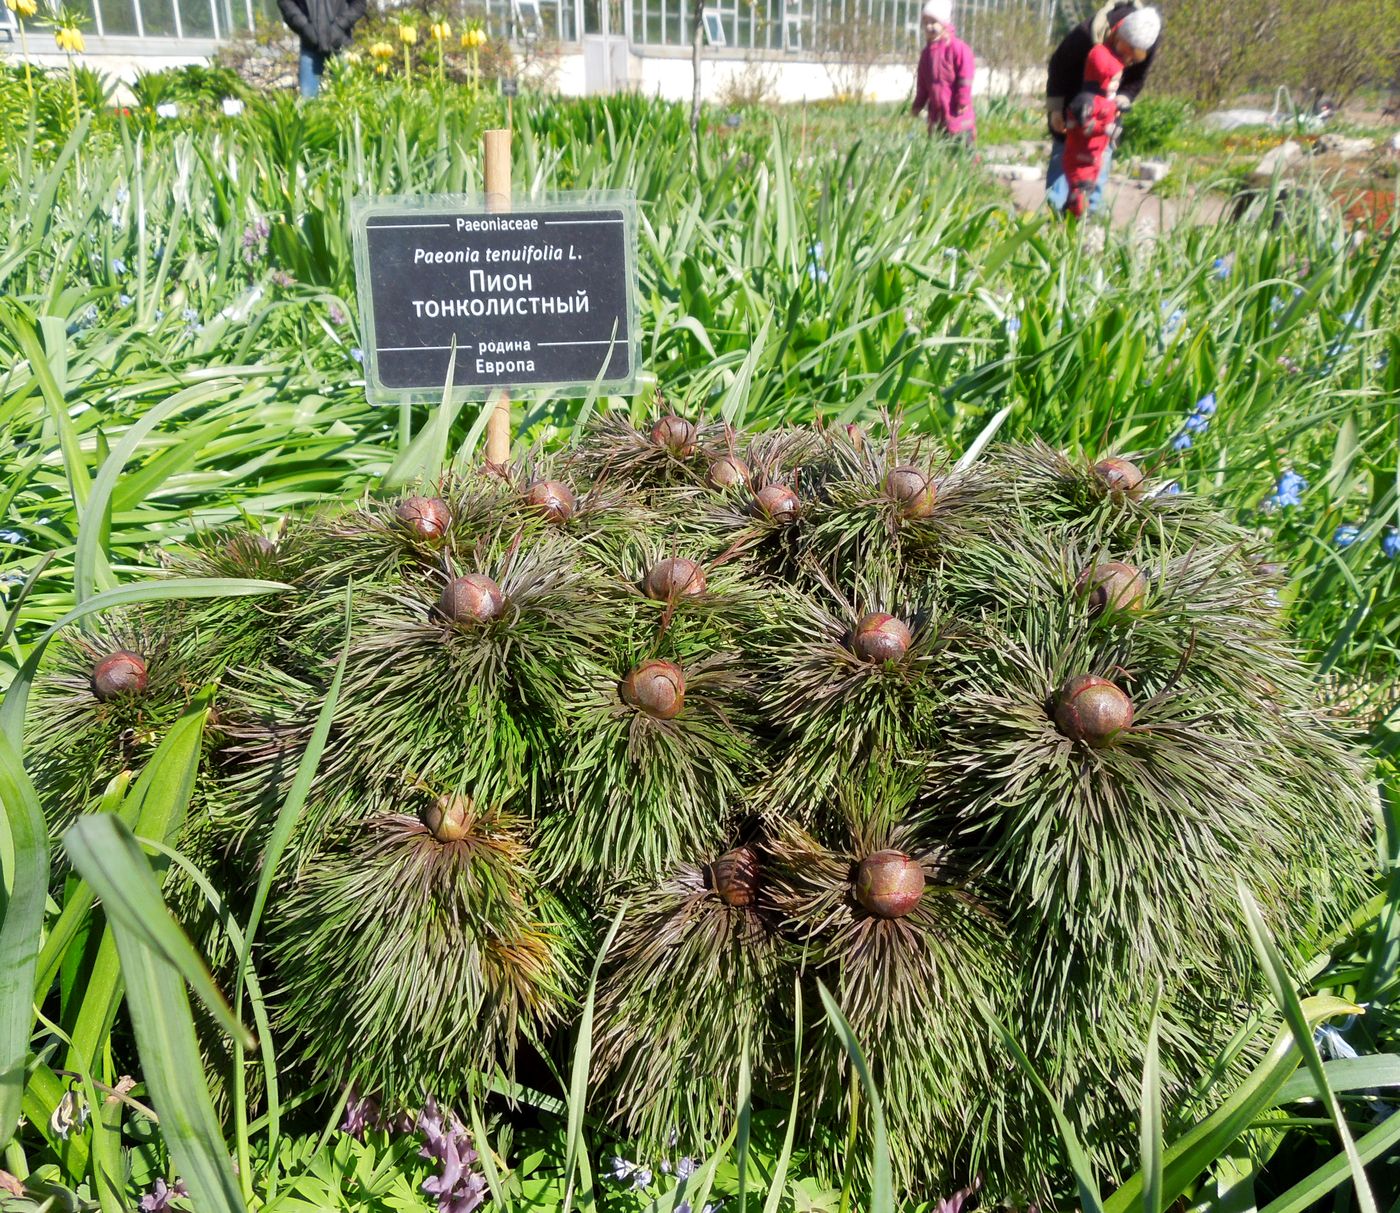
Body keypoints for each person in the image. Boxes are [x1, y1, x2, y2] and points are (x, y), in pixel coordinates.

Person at [1043, 1, 1162, 215]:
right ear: (1116, 34)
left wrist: (1122, 99)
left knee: (1099, 155)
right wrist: (1056, 109)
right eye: (1124, 50)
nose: (1127, 59)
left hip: (1107, 107)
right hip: (1073, 101)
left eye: (1133, 57)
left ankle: (1089, 215)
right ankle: (1054, 215)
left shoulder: (1147, 43)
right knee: (1064, 154)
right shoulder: (1085, 35)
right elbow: (1058, 67)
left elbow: (1137, 79)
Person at [1062, 45, 1123, 217]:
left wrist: (1117, 122)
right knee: (1080, 190)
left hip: (1093, 157)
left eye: (1118, 81)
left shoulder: (1107, 101)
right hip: (1078, 157)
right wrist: (1105, 129)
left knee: (1086, 190)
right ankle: (1073, 219)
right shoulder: (1084, 102)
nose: (1116, 85)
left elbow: (1111, 119)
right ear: (1101, 76)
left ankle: (1070, 218)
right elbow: (1084, 126)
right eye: (1113, 80)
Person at [910, 0, 976, 145]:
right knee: (939, 147)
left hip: (957, 111)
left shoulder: (957, 49)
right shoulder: (926, 54)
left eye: (933, 22)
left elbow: (966, 76)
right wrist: (918, 104)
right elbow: (922, 84)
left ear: (944, 23)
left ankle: (969, 166)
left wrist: (963, 98)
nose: (928, 26)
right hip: (937, 113)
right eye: (925, 22)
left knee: (963, 148)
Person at [277, 0, 367, 98]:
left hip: (340, 43)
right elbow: (286, 3)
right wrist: (304, 26)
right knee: (307, 101)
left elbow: (359, 4)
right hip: (310, 44)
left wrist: (340, 25)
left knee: (348, 97)